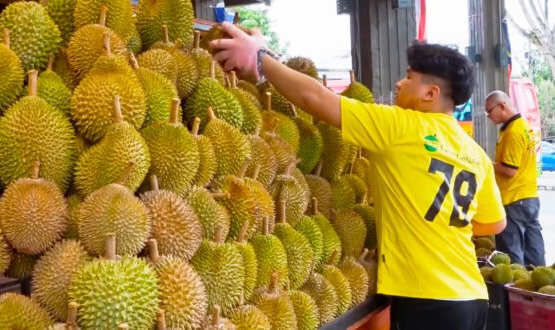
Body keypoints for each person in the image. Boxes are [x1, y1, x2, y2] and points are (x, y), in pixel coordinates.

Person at [210, 23, 507, 330]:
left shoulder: (401, 126)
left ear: (430, 93)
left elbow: (316, 99)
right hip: (471, 295)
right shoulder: (476, 154)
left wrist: (261, 59)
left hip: (426, 296)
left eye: (409, 78)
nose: (398, 83)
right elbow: (493, 223)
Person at [485, 91, 544, 266]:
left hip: (514, 199)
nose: (489, 116)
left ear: (502, 105)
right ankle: (538, 290)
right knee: (534, 250)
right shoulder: (524, 125)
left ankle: (514, 291)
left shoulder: (513, 132)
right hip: (529, 197)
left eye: (490, 111)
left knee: (511, 253)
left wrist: (488, 163)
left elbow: (510, 170)